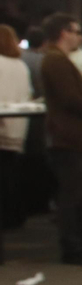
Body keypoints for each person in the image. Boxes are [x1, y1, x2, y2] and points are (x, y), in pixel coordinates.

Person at [37, 13, 82, 265]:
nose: (80, 36)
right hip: (69, 138)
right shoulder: (55, 61)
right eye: (76, 31)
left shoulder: (59, 60)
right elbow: (69, 99)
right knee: (75, 194)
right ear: (63, 32)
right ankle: (74, 247)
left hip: (76, 136)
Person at [0, 25, 31, 230]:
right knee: (12, 175)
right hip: (19, 127)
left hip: (2, 126)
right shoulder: (20, 65)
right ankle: (15, 217)